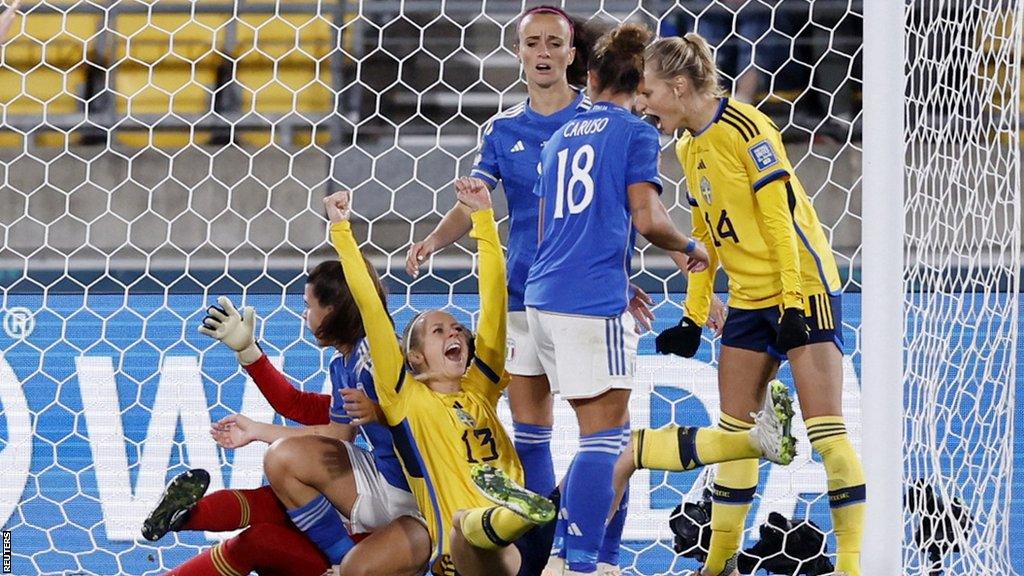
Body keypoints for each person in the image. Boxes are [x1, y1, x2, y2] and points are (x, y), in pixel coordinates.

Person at [639, 33, 864, 576]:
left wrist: (791, 304)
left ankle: (855, 567)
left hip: (802, 288)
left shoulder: (748, 128)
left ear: (677, 85)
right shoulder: (687, 146)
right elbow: (703, 238)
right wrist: (694, 317)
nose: (643, 103)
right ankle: (719, 566)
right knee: (737, 439)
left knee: (827, 436)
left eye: (647, 91)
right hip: (746, 298)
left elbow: (781, 225)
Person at [519, 20, 707, 576]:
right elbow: (648, 220)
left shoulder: (558, 137)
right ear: (642, 84)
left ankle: (587, 560)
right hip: (587, 301)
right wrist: (693, 247)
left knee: (599, 434)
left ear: (592, 76)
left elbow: (550, 229)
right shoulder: (636, 133)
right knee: (605, 439)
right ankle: (575, 564)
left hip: (541, 298)